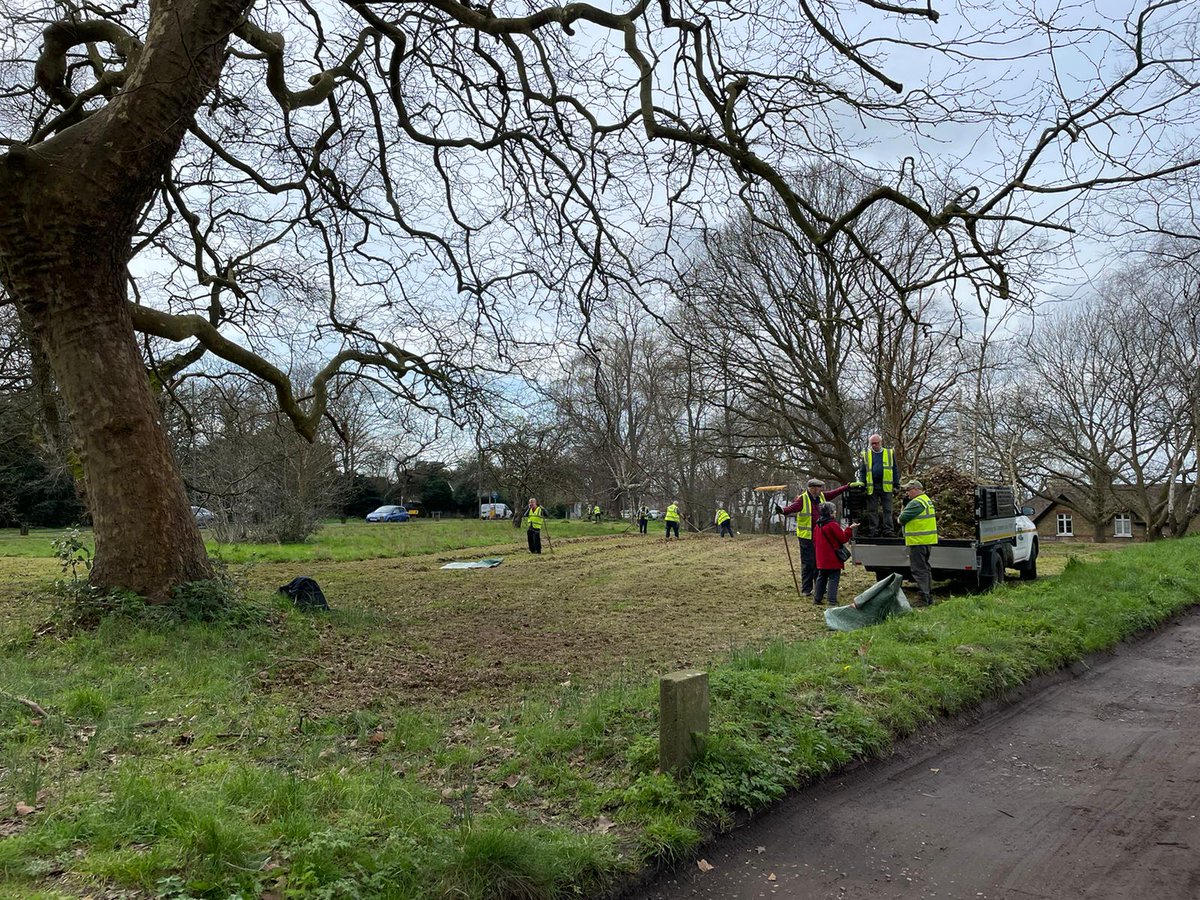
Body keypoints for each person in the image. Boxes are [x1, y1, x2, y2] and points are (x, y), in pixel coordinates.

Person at [777, 477, 852, 597]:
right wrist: (782, 510)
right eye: (819, 487)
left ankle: (819, 589)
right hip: (806, 537)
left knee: (819, 563)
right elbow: (792, 508)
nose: (821, 489)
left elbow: (834, 493)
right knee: (808, 563)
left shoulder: (821, 497)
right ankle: (807, 590)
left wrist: (846, 487)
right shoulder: (803, 499)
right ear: (812, 488)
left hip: (819, 536)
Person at [897, 479, 938, 607]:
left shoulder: (916, 503)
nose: (907, 493)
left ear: (915, 489)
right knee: (925, 569)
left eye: (908, 490)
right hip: (926, 541)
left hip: (918, 541)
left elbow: (901, 519)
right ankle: (928, 595)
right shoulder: (926, 500)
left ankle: (923, 598)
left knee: (919, 570)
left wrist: (903, 507)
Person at [813, 501, 858, 606]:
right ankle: (832, 600)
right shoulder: (832, 524)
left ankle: (817, 599)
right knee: (833, 578)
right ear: (830, 512)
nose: (835, 512)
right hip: (832, 558)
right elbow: (842, 539)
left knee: (821, 577)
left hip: (821, 558)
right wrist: (849, 529)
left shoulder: (818, 525)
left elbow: (815, 540)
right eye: (833, 511)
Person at [857, 433, 899, 537]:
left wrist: (896, 483)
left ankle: (888, 530)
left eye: (876, 443)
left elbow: (894, 469)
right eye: (872, 444)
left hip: (886, 486)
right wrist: (862, 483)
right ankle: (873, 531)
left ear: (881, 442)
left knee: (888, 510)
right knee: (872, 510)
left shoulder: (889, 453)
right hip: (872, 487)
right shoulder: (866, 455)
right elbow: (862, 471)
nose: (874, 445)